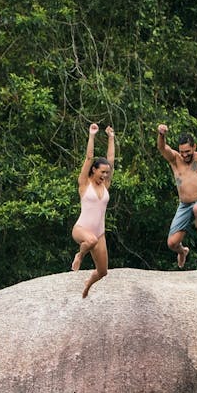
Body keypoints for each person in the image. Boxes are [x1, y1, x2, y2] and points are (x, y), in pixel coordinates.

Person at [157, 113, 197, 267]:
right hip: (184, 206)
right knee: (171, 243)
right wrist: (161, 135)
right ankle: (182, 251)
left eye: (188, 152)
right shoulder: (175, 160)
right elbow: (162, 147)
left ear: (194, 147)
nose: (185, 155)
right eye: (182, 152)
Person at [71, 122, 115, 297]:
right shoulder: (84, 184)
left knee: (103, 271)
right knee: (90, 242)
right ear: (94, 170)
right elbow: (89, 158)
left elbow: (110, 159)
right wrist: (92, 135)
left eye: (107, 173)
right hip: (81, 230)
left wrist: (111, 137)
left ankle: (88, 284)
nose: (105, 176)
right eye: (102, 172)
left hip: (99, 233)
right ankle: (79, 256)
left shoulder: (105, 185)